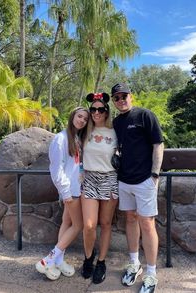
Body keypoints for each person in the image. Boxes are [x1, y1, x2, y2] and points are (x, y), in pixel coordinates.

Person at [111, 83, 164, 293]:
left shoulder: (145, 115)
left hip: (144, 180)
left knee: (147, 224)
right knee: (130, 219)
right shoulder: (116, 122)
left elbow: (158, 144)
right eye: (117, 97)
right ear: (114, 102)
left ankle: (151, 273)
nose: (121, 100)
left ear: (131, 97)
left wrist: (155, 174)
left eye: (124, 95)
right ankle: (135, 263)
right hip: (124, 180)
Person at [35, 107, 89, 281]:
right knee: (78, 225)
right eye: (79, 116)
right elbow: (56, 170)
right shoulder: (60, 139)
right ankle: (48, 260)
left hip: (76, 189)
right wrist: (65, 192)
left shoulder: (77, 139)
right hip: (70, 191)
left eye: (85, 119)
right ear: (72, 116)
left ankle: (58, 260)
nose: (82, 120)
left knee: (67, 222)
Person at [81, 92, 118, 284]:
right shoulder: (85, 130)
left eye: (100, 109)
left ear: (106, 111)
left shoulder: (115, 131)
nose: (96, 112)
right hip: (89, 178)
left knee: (105, 224)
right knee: (89, 225)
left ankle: (101, 262)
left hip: (110, 179)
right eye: (93, 109)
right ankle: (88, 257)